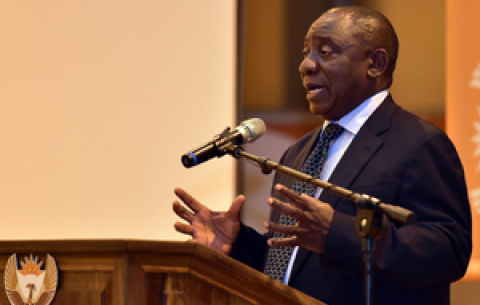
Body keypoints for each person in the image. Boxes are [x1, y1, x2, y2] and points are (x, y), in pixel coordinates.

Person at [172, 6, 472, 305]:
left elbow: (449, 251)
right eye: (305, 53)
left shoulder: (419, 143)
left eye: (325, 52)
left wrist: (337, 233)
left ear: (376, 64)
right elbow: (292, 263)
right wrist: (239, 244)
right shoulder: (298, 152)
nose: (306, 66)